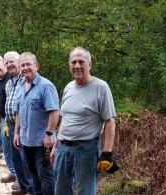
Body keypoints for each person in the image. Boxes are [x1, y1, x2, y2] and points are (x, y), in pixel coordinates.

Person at [51, 47, 116, 195]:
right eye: (73, 62)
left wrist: (106, 153)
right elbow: (65, 119)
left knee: (84, 191)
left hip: (86, 149)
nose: (77, 66)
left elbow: (110, 121)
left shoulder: (101, 87)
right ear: (69, 65)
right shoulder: (68, 87)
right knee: (60, 190)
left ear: (90, 64)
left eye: (81, 62)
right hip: (63, 148)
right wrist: (56, 146)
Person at [14, 52, 59, 195]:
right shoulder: (20, 87)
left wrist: (49, 134)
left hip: (42, 143)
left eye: (28, 64)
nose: (25, 67)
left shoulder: (46, 86)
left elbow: (54, 112)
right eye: (22, 65)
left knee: (46, 177)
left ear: (36, 66)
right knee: (33, 176)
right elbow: (18, 113)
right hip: (25, 141)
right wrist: (16, 133)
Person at [4, 51, 33, 195]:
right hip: (11, 125)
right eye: (7, 62)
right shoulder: (9, 83)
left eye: (11, 61)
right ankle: (23, 186)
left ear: (19, 62)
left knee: (26, 160)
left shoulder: (26, 80)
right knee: (15, 159)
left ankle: (30, 189)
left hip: (23, 126)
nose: (9, 65)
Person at [0, 55, 16, 183]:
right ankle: (13, 172)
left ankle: (21, 177)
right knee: (6, 148)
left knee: (16, 148)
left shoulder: (11, 78)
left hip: (14, 119)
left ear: (3, 63)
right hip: (2, 118)